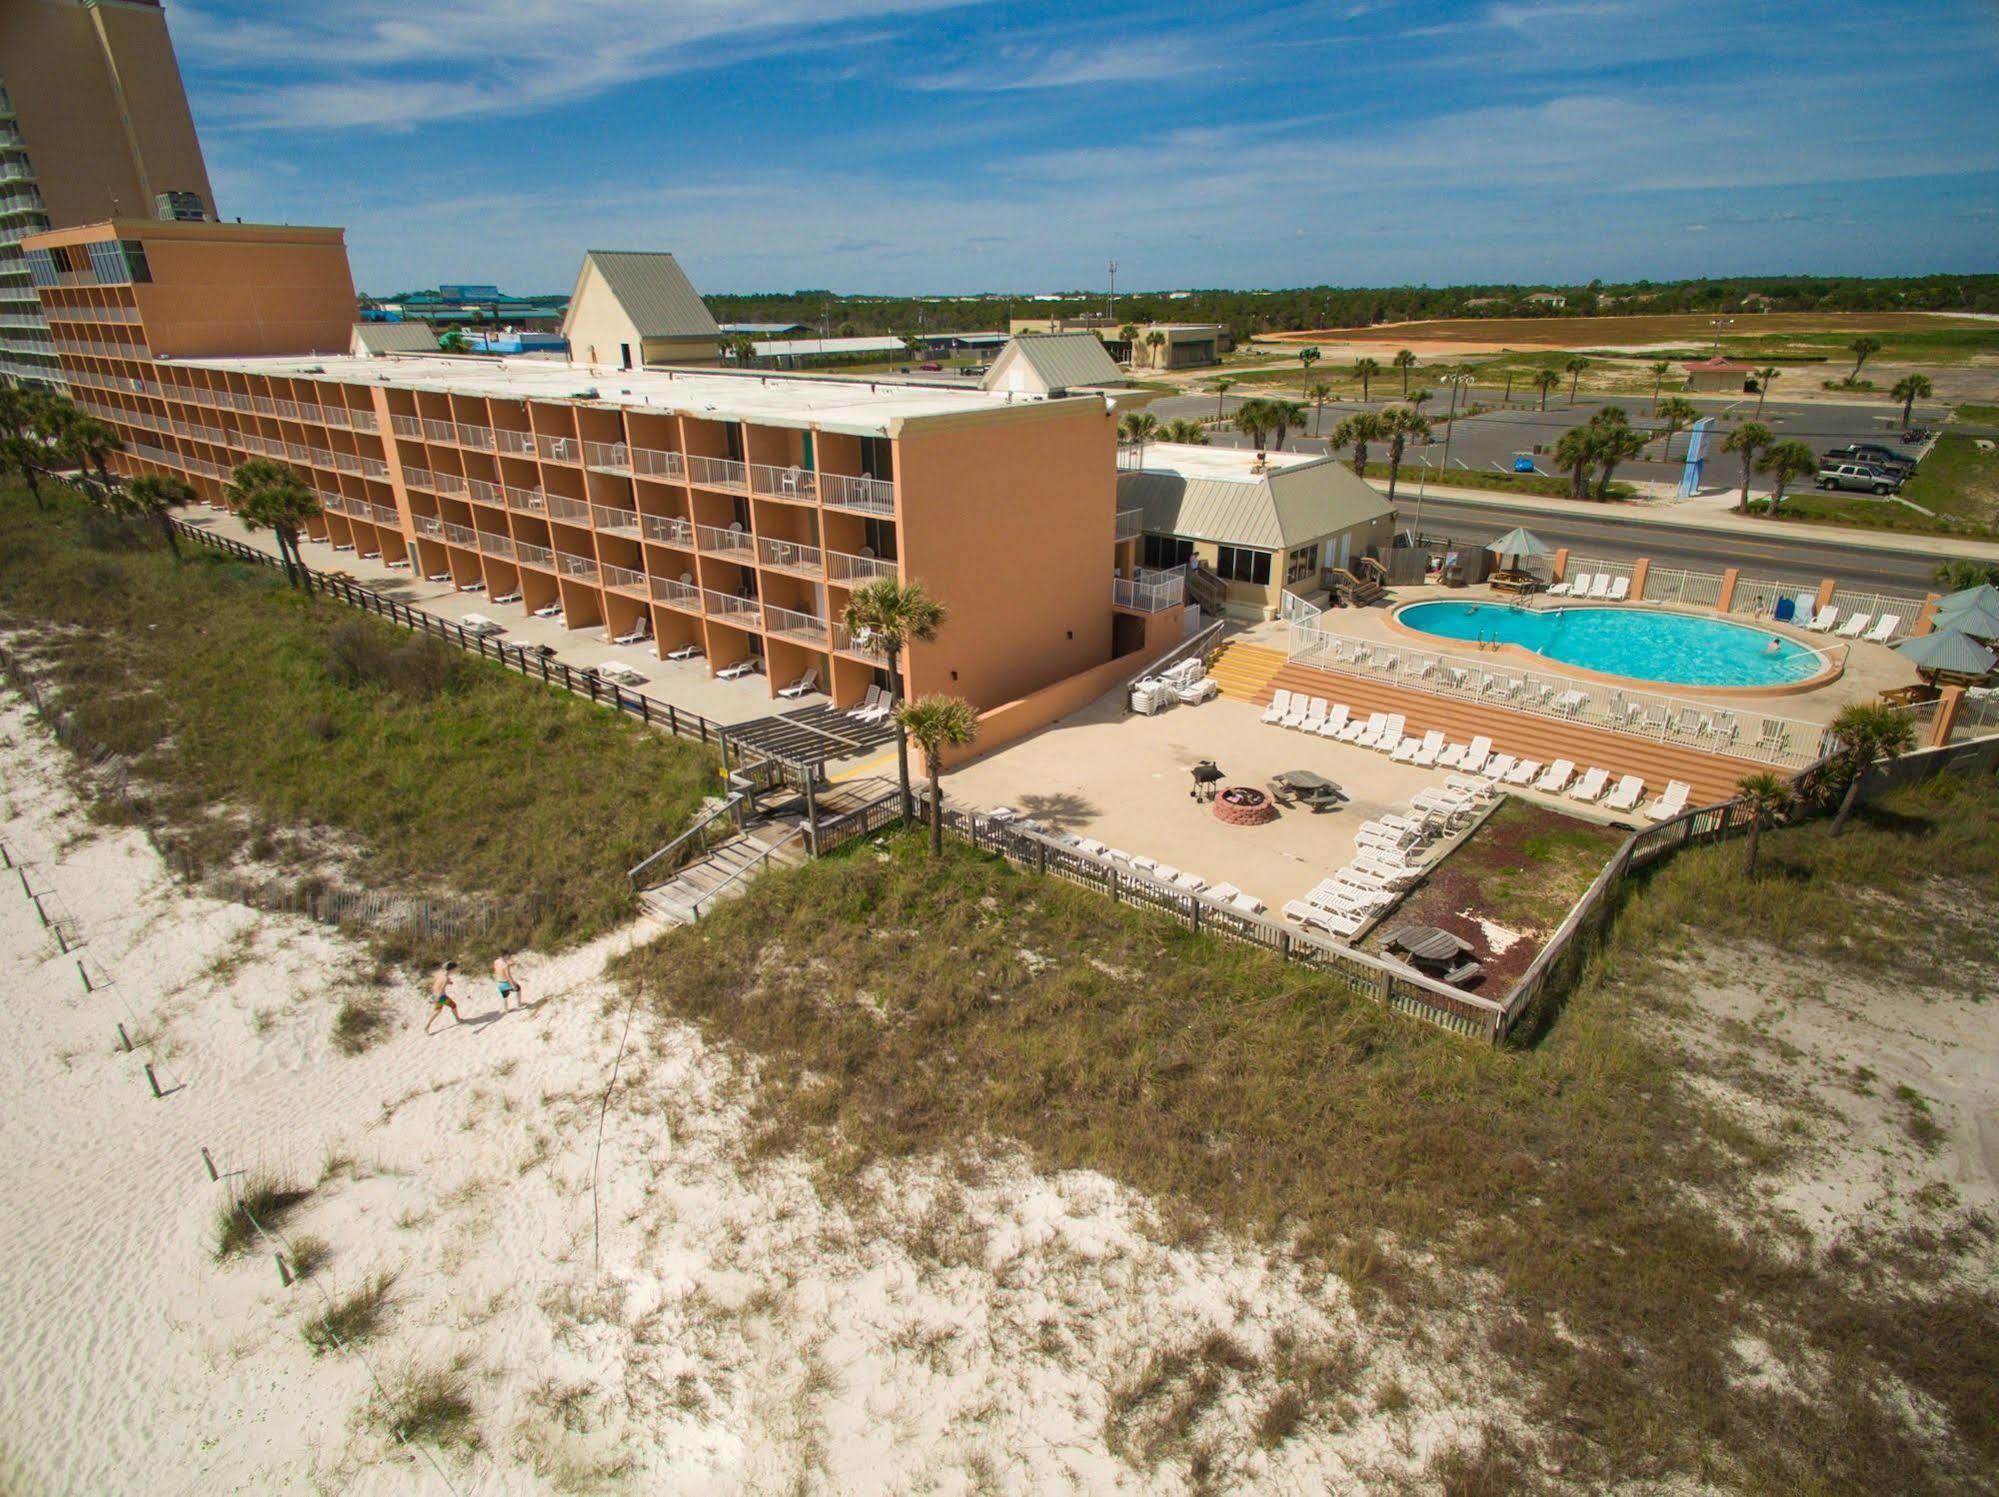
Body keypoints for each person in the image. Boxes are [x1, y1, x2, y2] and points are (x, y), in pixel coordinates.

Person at [426, 960, 462, 1034]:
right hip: (441, 996)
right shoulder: (445, 978)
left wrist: (433, 998)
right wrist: (439, 998)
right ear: (451, 969)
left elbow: (435, 983)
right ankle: (458, 1019)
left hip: (434, 994)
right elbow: (442, 988)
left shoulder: (440, 974)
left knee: (437, 1010)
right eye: (455, 969)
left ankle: (427, 1025)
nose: (455, 971)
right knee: (453, 1005)